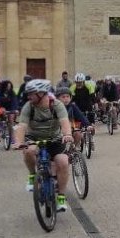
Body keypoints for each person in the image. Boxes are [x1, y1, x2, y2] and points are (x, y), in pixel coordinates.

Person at [14, 78, 74, 212]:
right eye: (28, 94)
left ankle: (61, 198)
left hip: (55, 139)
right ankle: (32, 176)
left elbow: (64, 122)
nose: (29, 96)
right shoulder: (28, 106)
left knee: (63, 162)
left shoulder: (56, 105)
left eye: (31, 93)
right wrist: (18, 142)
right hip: (34, 138)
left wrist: (67, 134)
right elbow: (22, 126)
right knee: (28, 151)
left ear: (42, 93)